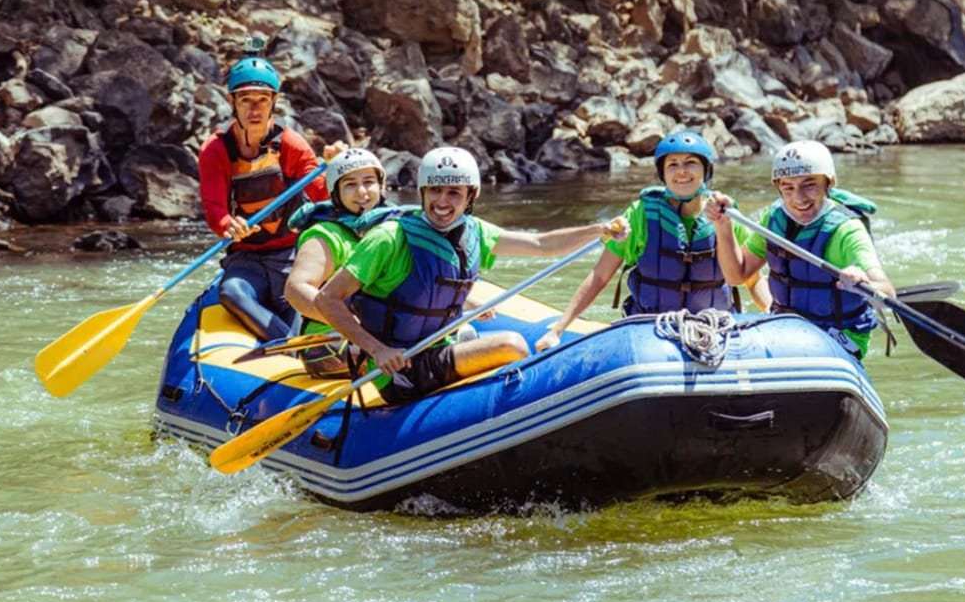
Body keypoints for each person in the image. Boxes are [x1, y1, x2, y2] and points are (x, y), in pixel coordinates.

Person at [314, 146, 629, 405]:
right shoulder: (389, 238)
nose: (442, 201)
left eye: (454, 192)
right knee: (512, 344)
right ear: (422, 192)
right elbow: (328, 299)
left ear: (470, 196)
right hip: (400, 367)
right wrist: (376, 349)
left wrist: (598, 231)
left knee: (474, 333)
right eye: (435, 190)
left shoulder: (475, 232)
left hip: (438, 346)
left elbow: (541, 244)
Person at [535, 130, 765, 351]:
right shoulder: (641, 214)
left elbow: (752, 279)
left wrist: (772, 312)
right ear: (662, 173)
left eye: (690, 163)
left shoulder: (725, 214)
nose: (682, 171)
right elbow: (600, 276)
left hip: (713, 328)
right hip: (652, 330)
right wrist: (558, 328)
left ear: (706, 170)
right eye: (672, 165)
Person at [705, 140, 895, 360]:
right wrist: (722, 225)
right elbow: (737, 275)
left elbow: (887, 292)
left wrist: (864, 283)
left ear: (829, 182)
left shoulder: (846, 229)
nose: (799, 198)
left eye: (809, 185)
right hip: (787, 327)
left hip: (839, 335)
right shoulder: (774, 217)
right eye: (788, 187)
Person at [197, 50, 333, 341]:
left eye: (262, 99)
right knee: (231, 292)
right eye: (245, 99)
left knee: (298, 305)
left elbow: (324, 194)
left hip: (291, 257)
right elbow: (214, 208)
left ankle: (292, 348)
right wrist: (226, 225)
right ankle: (290, 347)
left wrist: (336, 170)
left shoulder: (291, 145)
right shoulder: (216, 150)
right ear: (232, 102)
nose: (254, 108)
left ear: (274, 102)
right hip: (246, 259)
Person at [284, 147, 399, 379]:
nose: (362, 192)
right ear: (335, 193)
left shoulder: (391, 229)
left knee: (463, 335)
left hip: (382, 330)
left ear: (381, 186)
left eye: (369, 181)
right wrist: (351, 324)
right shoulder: (324, 235)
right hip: (331, 342)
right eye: (350, 184)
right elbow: (295, 289)